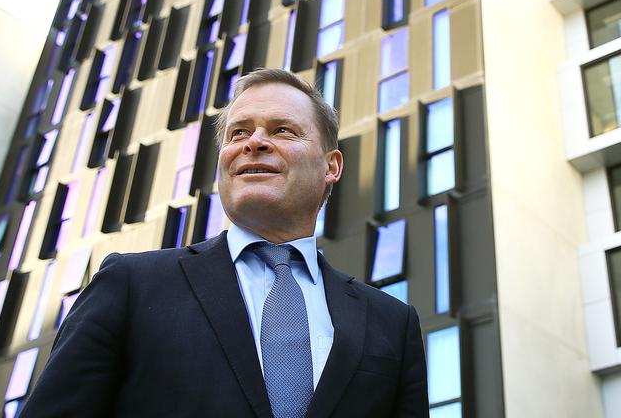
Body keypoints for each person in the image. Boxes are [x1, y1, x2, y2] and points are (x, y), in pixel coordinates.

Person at [22, 68, 428, 417]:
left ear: (331, 166)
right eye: (239, 132)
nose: (254, 142)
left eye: (282, 129)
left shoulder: (392, 323)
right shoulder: (132, 283)